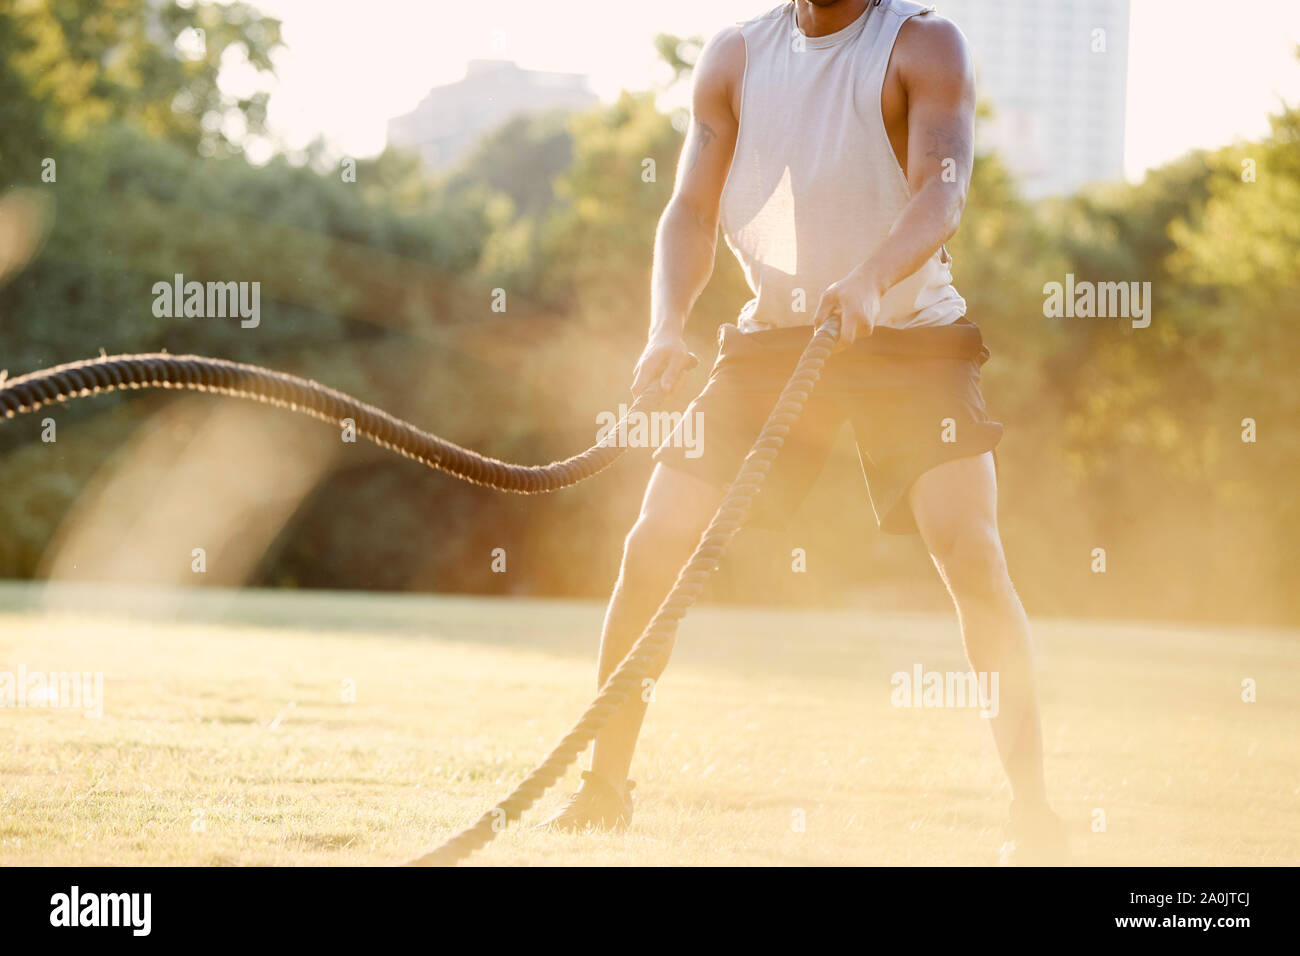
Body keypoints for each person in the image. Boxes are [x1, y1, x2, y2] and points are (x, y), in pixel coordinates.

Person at [540, 0, 1066, 864]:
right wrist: (666, 326)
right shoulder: (735, 58)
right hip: (776, 334)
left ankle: (1033, 810)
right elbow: (690, 211)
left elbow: (943, 188)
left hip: (911, 336)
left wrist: (867, 278)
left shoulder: (922, 43)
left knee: (970, 551)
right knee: (653, 544)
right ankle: (604, 787)